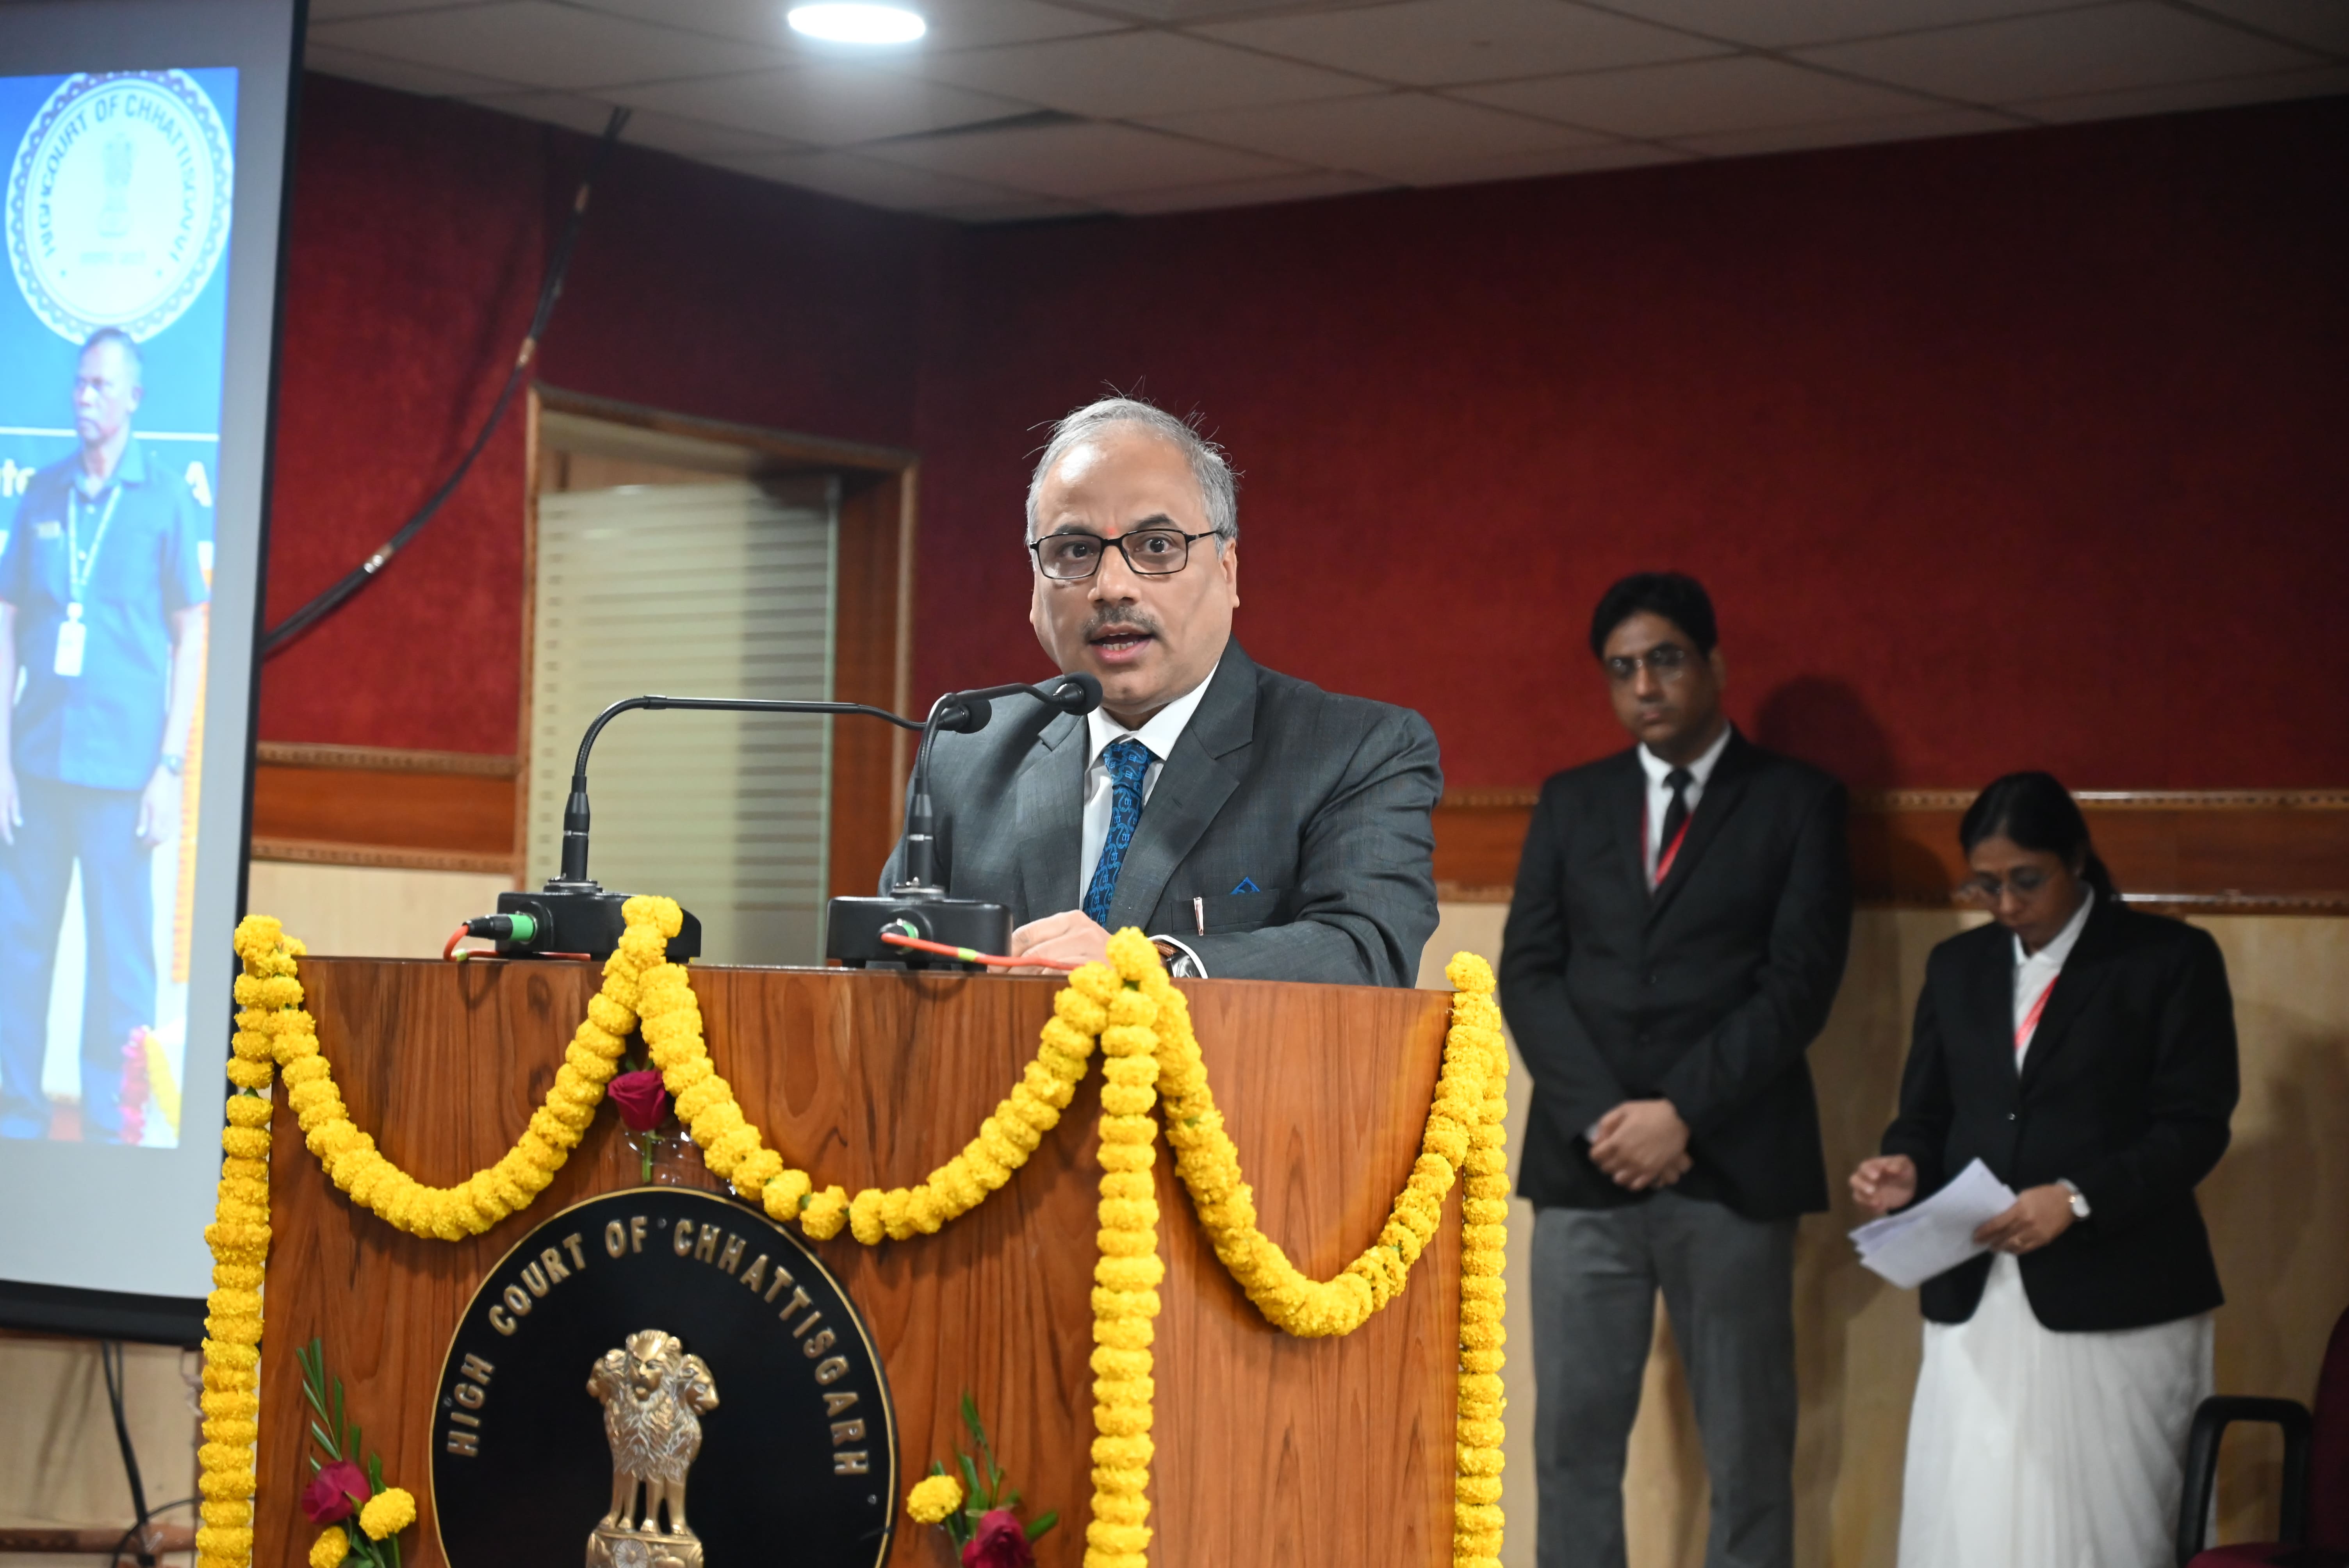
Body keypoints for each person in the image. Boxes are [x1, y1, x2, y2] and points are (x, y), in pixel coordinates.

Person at [1500, 572, 1852, 1568]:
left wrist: (1678, 1112)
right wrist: (1604, 1117)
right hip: (1584, 1168)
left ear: (1713, 664)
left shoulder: (1797, 802)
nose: (1644, 686)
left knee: (1747, 1451)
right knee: (1570, 1448)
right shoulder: (1572, 801)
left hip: (1730, 1166)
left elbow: (1797, 987)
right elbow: (1528, 973)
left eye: (1663, 660)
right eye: (1621, 669)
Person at [880, 395, 1441, 985]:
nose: (1111, 587)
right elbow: (889, 965)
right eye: (1076, 551)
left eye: (1156, 547)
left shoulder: (1357, 751)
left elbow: (1365, 950)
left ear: (1228, 570)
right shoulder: (964, 753)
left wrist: (1151, 967)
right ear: (1035, 590)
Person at [1852, 772, 2237, 1568]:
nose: (2004, 903)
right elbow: (1925, 1114)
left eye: (2025, 880)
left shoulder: (2166, 958)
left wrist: (2078, 1198)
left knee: (2107, 1525)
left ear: (2077, 859)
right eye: (1983, 884)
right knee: (1971, 1517)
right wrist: (1904, 1167)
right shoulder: (1956, 966)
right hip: (1978, 1288)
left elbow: (2194, 1125)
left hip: (2114, 1290)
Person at [0, 328, 209, 1142]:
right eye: (79, 383)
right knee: (18, 953)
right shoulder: (43, 492)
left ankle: (112, 1135)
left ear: (134, 399)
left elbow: (191, 631)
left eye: (100, 386)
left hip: (125, 774)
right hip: (37, 765)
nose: (84, 397)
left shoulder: (163, 498)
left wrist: (170, 767)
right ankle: (15, 1125)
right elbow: (8, 622)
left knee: (122, 967)